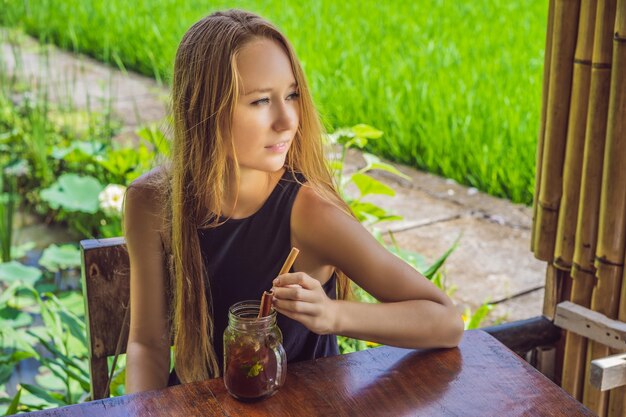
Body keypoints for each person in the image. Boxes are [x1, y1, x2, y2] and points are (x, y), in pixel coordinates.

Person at [124, 9, 464, 394]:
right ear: (204, 109)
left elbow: (445, 321)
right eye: (259, 102)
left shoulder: (310, 214)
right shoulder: (151, 202)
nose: (287, 120)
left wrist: (332, 314)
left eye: (291, 95)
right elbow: (147, 344)